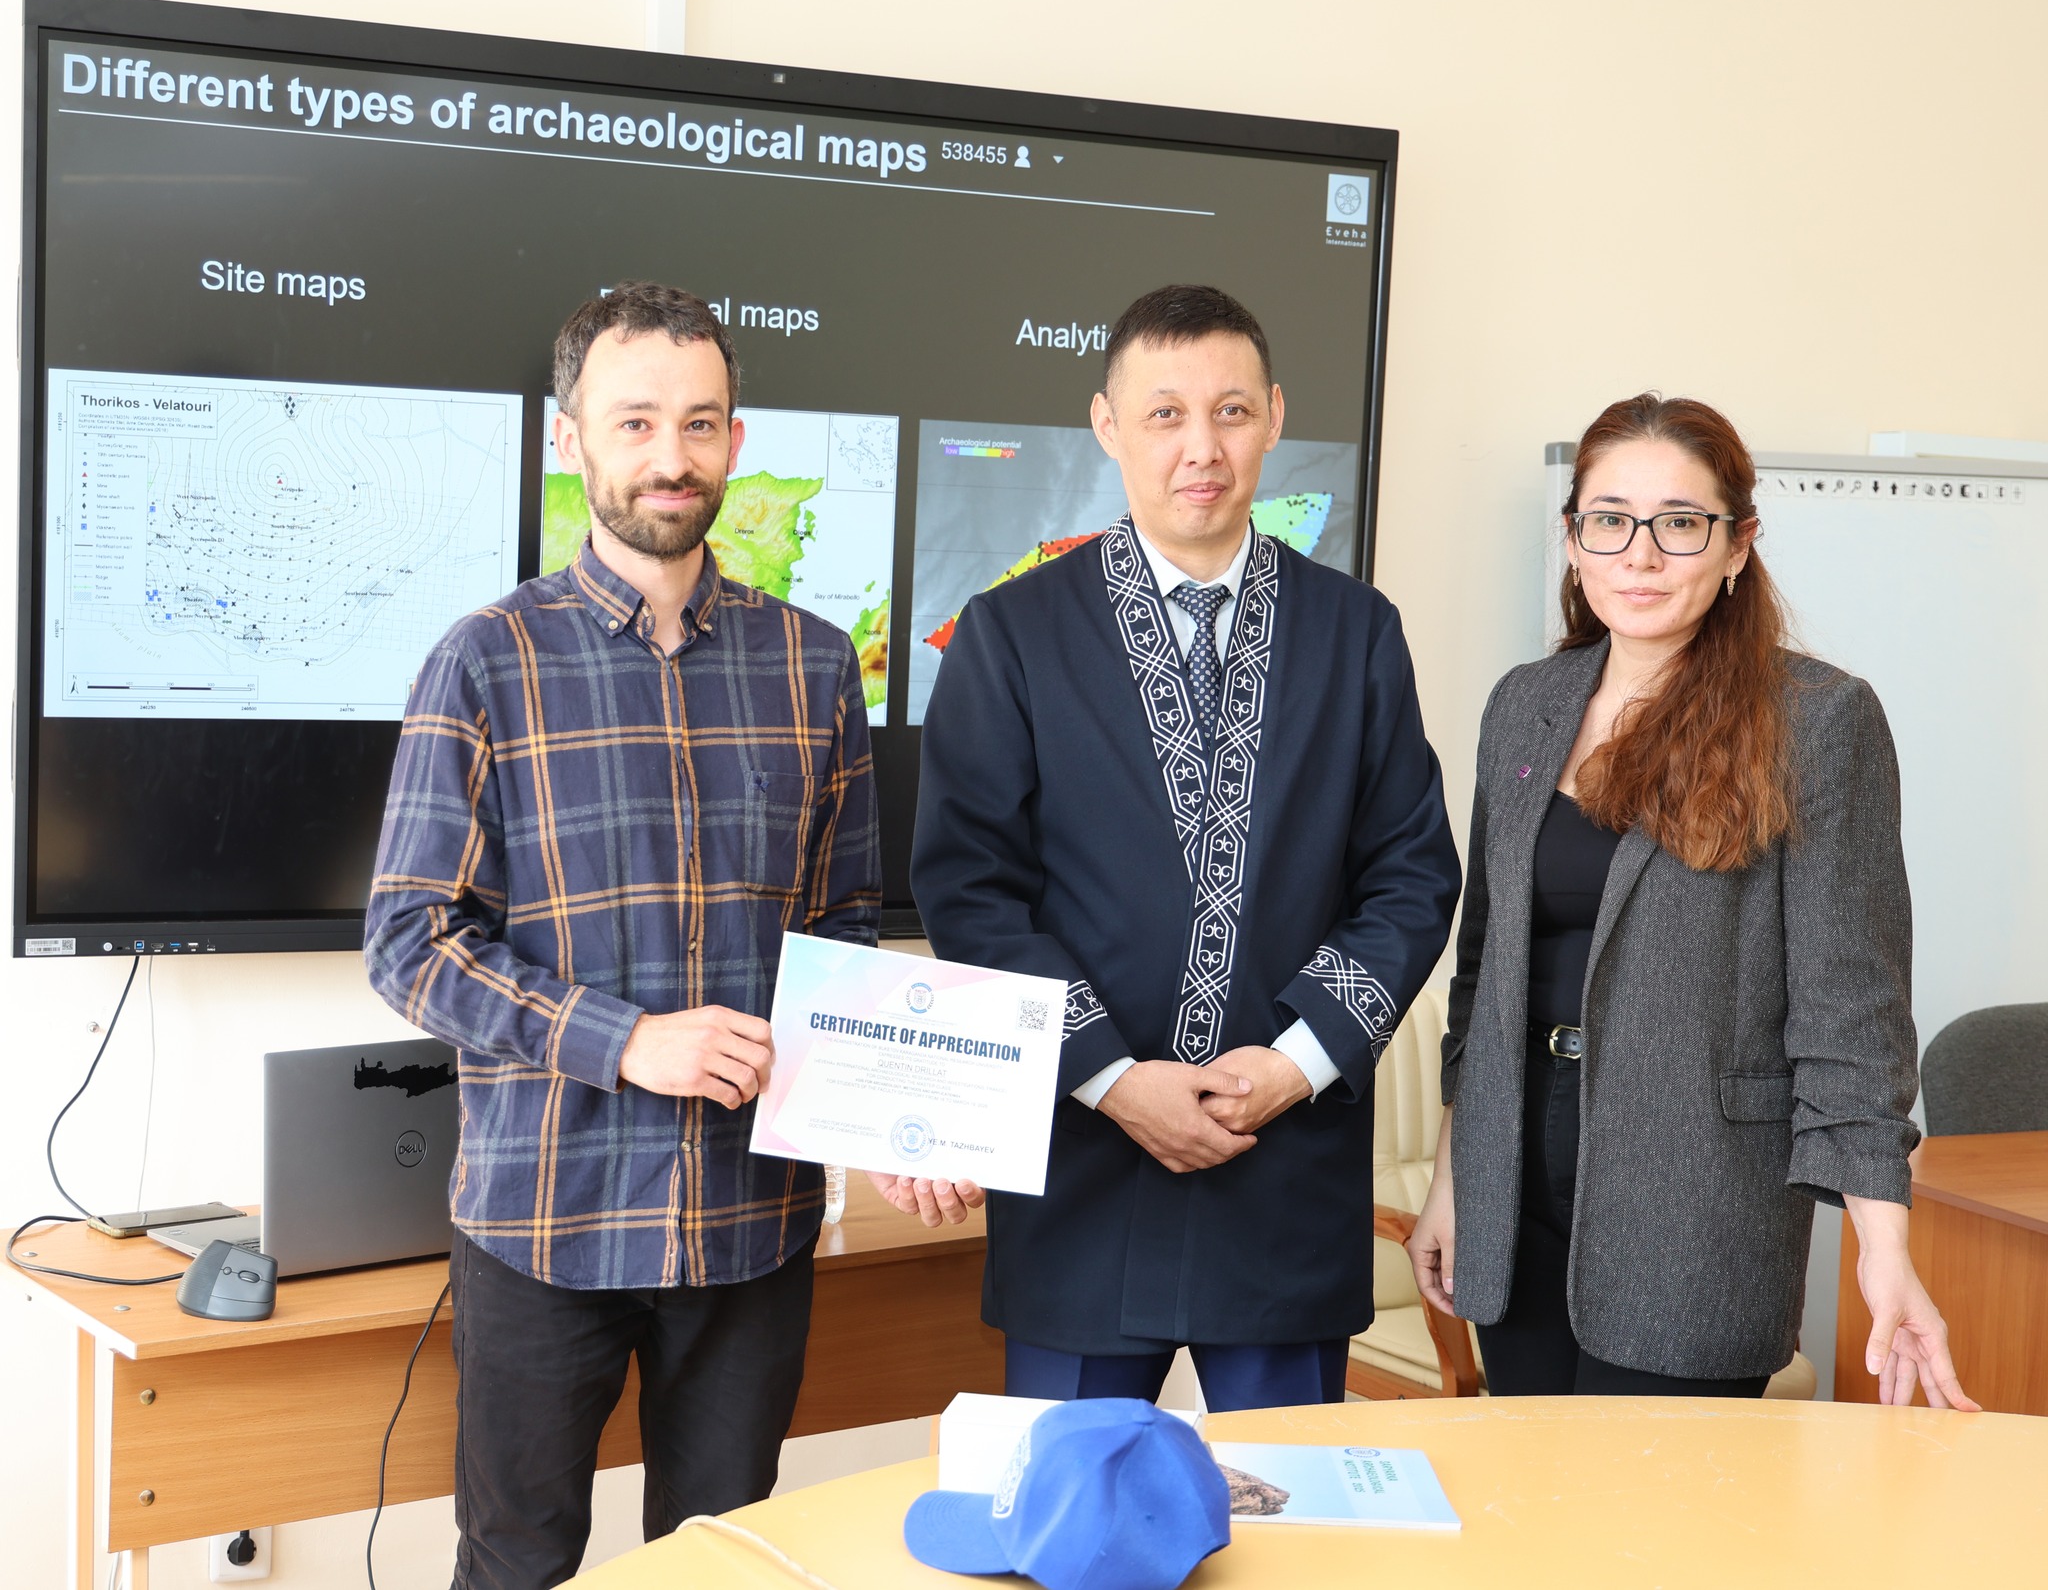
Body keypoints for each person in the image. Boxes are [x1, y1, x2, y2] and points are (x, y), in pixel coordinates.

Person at [364, 281, 887, 1589]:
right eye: (636, 422)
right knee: (516, 1565)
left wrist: (898, 1115)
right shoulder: (483, 662)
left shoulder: (816, 666)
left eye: (700, 424)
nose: (671, 457)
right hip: (545, 1222)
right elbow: (409, 939)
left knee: (720, 1568)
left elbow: (843, 933)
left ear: (735, 441)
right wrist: (627, 1041)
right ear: (571, 439)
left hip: (751, 1226)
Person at [907, 283, 1462, 1410]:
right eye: (1164, 414)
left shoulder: (1356, 632)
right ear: (1108, 426)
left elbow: (1410, 876)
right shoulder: (1011, 633)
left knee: (1289, 1512)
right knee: (1070, 1511)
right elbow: (970, 891)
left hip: (1284, 1174)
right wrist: (1114, 1083)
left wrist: (1295, 1065)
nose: (1200, 448)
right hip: (1078, 1176)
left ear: (1273, 417)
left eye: (1230, 412)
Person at [1408, 393, 1977, 1408]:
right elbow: (1484, 966)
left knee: (1651, 1498)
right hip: (1512, 1180)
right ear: (1573, 540)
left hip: (1697, 1198)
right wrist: (1453, 1180)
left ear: (1736, 546)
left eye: (1679, 523)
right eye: (1608, 520)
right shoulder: (1524, 705)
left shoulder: (1817, 721)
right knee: (1528, 1495)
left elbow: (1850, 1012)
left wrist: (1882, 1251)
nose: (1639, 555)